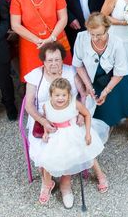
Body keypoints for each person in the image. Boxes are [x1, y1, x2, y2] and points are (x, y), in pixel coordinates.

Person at [36, 77, 104, 207]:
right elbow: (47, 120)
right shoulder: (46, 106)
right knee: (48, 159)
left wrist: (88, 133)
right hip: (57, 135)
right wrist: (45, 132)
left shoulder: (74, 103)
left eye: (63, 95)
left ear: (69, 95)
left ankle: (101, 175)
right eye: (57, 95)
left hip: (73, 132)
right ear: (51, 95)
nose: (60, 98)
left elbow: (87, 115)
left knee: (88, 154)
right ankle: (48, 184)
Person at [74, 12, 128, 142]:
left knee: (126, 102)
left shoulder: (116, 42)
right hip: (95, 77)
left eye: (100, 34)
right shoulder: (81, 38)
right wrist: (88, 85)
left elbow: (120, 71)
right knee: (104, 107)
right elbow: (78, 64)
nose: (95, 38)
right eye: (92, 34)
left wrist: (106, 90)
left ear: (107, 29)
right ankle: (109, 124)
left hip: (117, 77)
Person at [10, 0, 72, 80]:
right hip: (31, 43)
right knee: (36, 79)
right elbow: (15, 25)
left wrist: (51, 38)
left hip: (56, 39)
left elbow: (63, 18)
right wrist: (37, 41)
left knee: (63, 75)